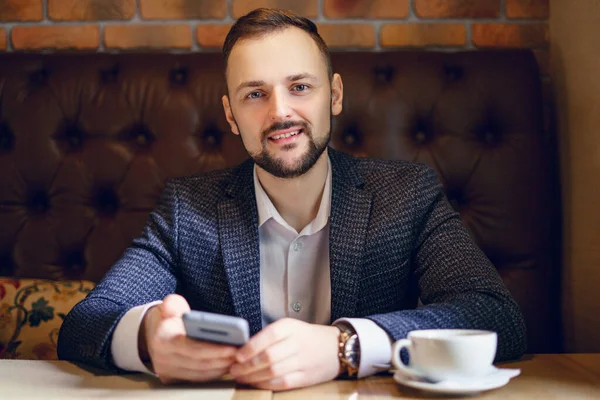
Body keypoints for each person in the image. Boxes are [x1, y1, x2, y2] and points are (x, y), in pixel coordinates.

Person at [57, 8, 526, 391]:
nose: (280, 111)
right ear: (231, 115)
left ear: (334, 95)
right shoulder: (186, 209)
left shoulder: (407, 195)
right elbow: (85, 324)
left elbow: (495, 314)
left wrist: (346, 345)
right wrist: (147, 338)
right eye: (255, 94)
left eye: (300, 87)